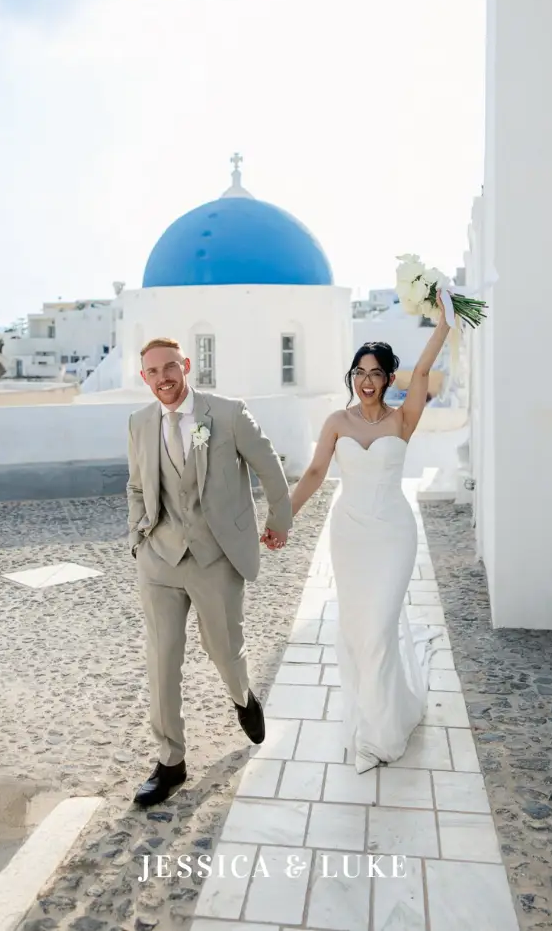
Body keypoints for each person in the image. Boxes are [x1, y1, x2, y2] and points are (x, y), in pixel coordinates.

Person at [127, 337, 291, 806]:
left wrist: (278, 521)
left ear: (186, 365)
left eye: (170, 368)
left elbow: (270, 467)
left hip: (214, 556)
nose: (163, 378)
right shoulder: (139, 423)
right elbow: (136, 486)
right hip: (159, 558)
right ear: (145, 378)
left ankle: (243, 697)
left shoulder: (228, 413)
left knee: (223, 649)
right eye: (153, 372)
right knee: (161, 660)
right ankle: (170, 762)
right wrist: (137, 537)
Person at [289, 299, 450, 771]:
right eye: (360, 371)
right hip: (351, 534)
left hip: (393, 535)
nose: (366, 380)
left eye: (376, 372)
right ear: (352, 377)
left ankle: (380, 736)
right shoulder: (337, 422)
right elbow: (316, 472)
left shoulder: (403, 418)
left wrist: (444, 322)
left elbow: (423, 373)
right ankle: (375, 716)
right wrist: (284, 518)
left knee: (380, 628)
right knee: (360, 632)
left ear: (388, 379)